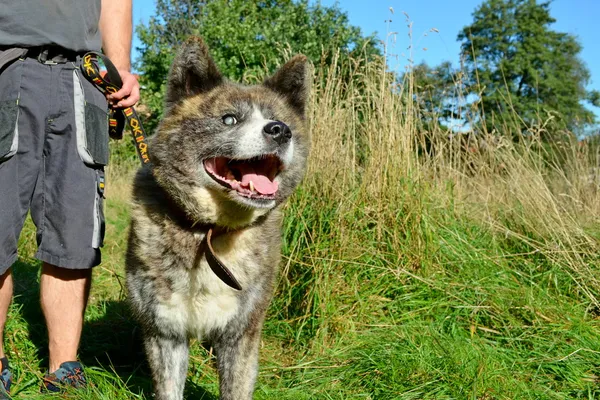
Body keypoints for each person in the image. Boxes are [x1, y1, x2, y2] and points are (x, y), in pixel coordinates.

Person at [0, 0, 140, 396]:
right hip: (6, 64)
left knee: (75, 229)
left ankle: (65, 368)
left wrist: (121, 69)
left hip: (85, 79)